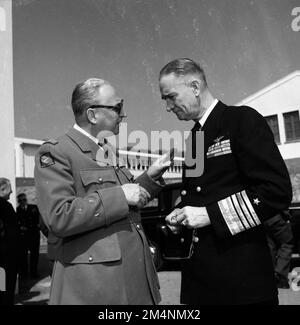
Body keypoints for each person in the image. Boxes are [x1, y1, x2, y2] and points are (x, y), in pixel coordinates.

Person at [159, 58, 292, 305]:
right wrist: (180, 215)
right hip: (202, 280)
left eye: (171, 96)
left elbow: (276, 190)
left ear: (195, 87)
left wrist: (210, 215)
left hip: (240, 282)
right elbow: (199, 195)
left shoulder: (241, 120)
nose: (168, 106)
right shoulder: (195, 138)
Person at [34, 78, 171, 305]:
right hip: (98, 287)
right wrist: (120, 195)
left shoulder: (105, 151)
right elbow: (59, 216)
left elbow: (128, 202)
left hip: (132, 279)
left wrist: (150, 177)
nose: (123, 115)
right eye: (117, 108)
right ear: (92, 115)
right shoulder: (57, 152)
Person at [0, 178, 20, 305]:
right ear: (2, 190)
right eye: (9, 189)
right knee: (5, 291)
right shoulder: (5, 207)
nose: (12, 192)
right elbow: (12, 234)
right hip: (5, 260)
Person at [264, 210, 294, 289]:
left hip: (266, 219)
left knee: (271, 246)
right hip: (277, 218)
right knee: (287, 244)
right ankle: (280, 275)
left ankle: (271, 275)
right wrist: (287, 216)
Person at [16, 193, 41, 279]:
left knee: (34, 255)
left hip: (34, 235)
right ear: (18, 202)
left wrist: (38, 226)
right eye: (21, 200)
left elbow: (39, 218)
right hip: (24, 236)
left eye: (24, 200)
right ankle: (24, 273)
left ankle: (33, 273)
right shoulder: (17, 210)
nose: (23, 202)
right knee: (23, 255)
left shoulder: (33, 207)